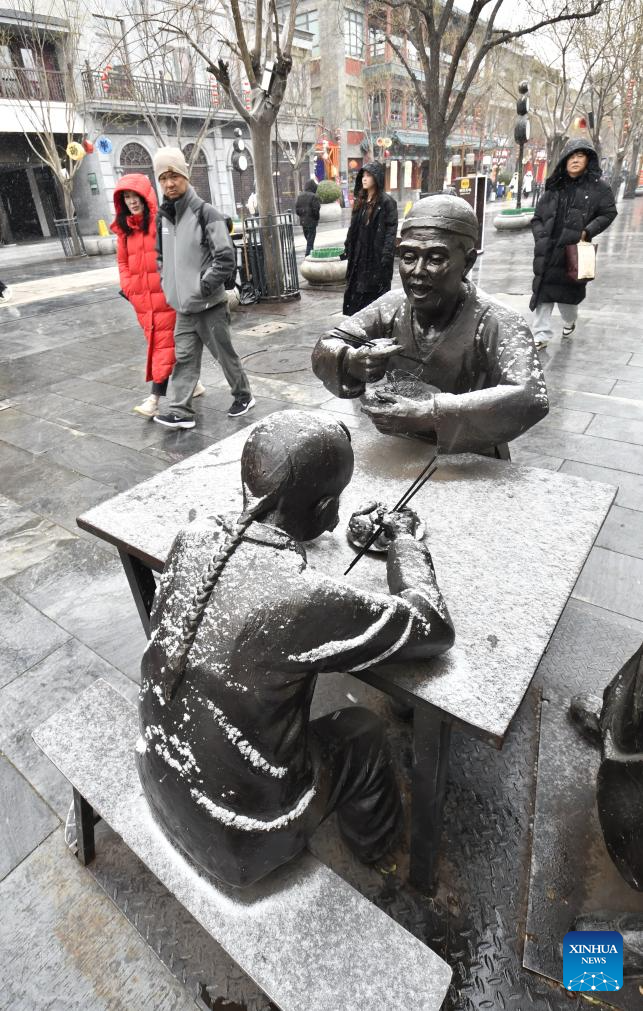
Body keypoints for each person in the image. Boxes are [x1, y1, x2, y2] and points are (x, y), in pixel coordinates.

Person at [137, 409, 455, 888]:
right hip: (241, 838)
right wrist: (405, 542)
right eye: (335, 502)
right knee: (363, 732)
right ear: (327, 509)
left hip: (156, 774)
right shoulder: (302, 600)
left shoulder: (193, 537)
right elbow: (431, 625)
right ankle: (379, 851)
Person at [312, 193, 549, 458]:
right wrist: (352, 361)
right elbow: (328, 343)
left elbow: (530, 395)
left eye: (435, 259)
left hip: (471, 454)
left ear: (468, 262)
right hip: (400, 447)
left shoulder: (497, 321)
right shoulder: (390, 307)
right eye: (409, 257)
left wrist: (430, 414)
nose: (417, 270)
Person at [151, 146, 254, 428]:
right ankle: (180, 411)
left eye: (174, 176)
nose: (169, 183)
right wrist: (167, 282)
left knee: (224, 354)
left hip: (209, 304)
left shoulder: (206, 212)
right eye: (163, 178)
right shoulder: (163, 217)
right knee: (184, 358)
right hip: (183, 306)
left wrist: (203, 286)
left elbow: (225, 257)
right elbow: (161, 257)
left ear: (185, 176)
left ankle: (243, 395)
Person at [530, 139, 617, 350]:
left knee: (568, 299)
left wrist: (588, 231)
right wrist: (541, 236)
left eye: (580, 156)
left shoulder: (599, 188)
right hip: (548, 250)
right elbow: (537, 217)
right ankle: (541, 334)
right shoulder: (554, 186)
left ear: (588, 160)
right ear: (564, 160)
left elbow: (609, 213)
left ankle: (570, 321)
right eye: (571, 156)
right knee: (543, 294)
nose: (575, 160)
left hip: (573, 251)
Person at [112, 173, 185, 418]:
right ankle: (194, 384)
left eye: (135, 196)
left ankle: (154, 400)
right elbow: (122, 262)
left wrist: (170, 286)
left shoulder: (160, 223)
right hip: (142, 301)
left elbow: (175, 254)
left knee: (162, 347)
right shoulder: (124, 230)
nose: (132, 201)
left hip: (164, 297)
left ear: (145, 196)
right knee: (163, 345)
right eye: (126, 197)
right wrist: (130, 288)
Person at [341, 161, 398, 316]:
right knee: (356, 292)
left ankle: (373, 323)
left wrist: (386, 256)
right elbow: (353, 228)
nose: (364, 179)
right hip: (359, 255)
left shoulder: (387, 202)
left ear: (376, 178)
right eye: (363, 176)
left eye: (368, 175)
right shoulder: (361, 201)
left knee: (373, 295)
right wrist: (348, 246)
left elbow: (390, 231)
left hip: (375, 256)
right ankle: (357, 321)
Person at [295, 179, 321, 256]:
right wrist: (316, 218)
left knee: (308, 240)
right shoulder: (314, 196)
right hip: (312, 222)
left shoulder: (300, 196)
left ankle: (311, 253)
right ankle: (308, 255)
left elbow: (297, 210)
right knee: (310, 241)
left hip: (303, 222)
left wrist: (302, 216)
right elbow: (316, 209)